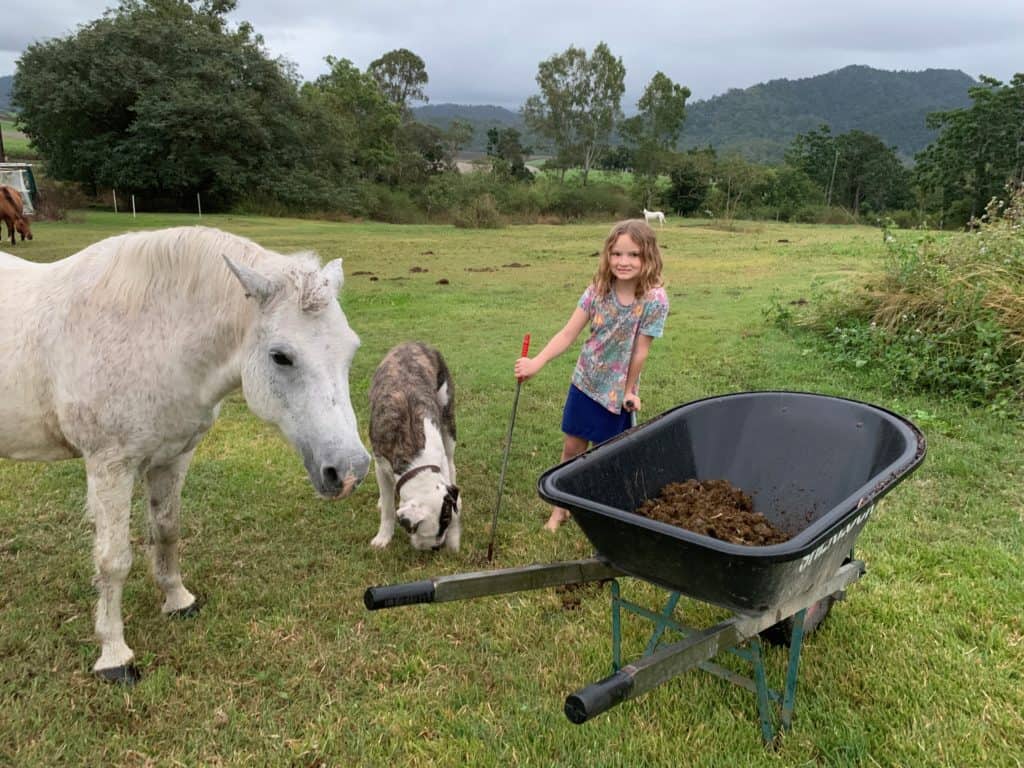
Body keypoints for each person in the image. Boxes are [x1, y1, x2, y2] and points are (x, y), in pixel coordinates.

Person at [514, 219, 669, 531]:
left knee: (609, 455)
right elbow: (568, 334)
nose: (624, 262)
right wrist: (537, 362)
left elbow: (640, 351)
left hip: (618, 391)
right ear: (607, 255)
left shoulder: (654, 299)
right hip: (586, 380)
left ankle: (604, 511)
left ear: (648, 257)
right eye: (617, 254)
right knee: (572, 448)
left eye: (634, 255)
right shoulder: (597, 291)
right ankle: (561, 508)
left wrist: (629, 390)